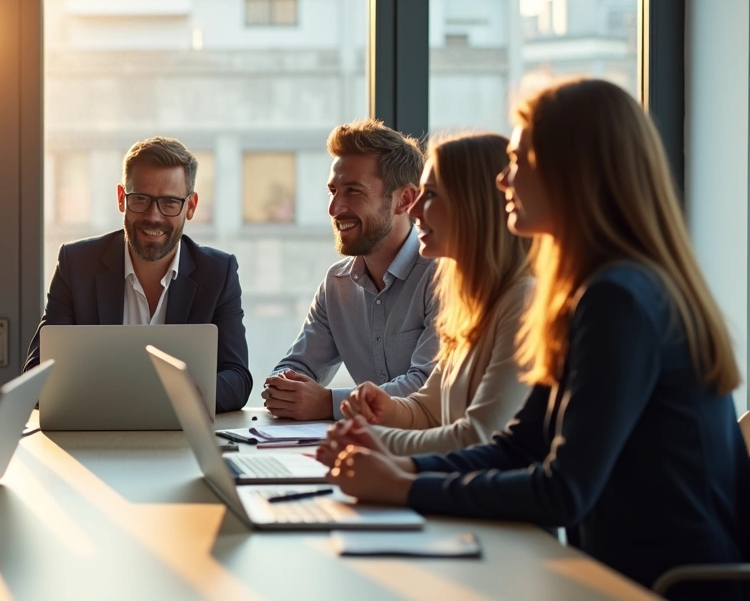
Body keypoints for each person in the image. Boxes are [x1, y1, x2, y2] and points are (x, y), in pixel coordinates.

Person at [322, 79, 749, 599]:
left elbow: (562, 490)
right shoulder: (593, 292)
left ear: (574, 172)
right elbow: (519, 446)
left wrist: (403, 484)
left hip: (660, 586)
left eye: (520, 160)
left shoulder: (620, 299)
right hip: (612, 574)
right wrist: (397, 466)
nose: (503, 179)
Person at [22, 136, 252, 413]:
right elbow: (37, 373)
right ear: (122, 198)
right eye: (141, 199)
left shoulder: (218, 272)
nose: (153, 216)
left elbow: (238, 379)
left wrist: (173, 399)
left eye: (169, 203)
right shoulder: (77, 264)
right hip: (96, 438)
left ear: (190, 206)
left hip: (181, 440)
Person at [337, 133, 533, 454]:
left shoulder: (522, 302)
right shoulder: (469, 305)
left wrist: (372, 442)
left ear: (474, 205)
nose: (412, 210)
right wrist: (387, 407)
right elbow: (428, 410)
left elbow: (478, 437)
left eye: (431, 195)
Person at [265, 120, 438, 421]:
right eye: (333, 191)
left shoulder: (442, 277)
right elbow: (297, 367)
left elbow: (428, 387)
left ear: (405, 200)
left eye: (353, 191)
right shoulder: (337, 284)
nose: (334, 208)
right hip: (365, 449)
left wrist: (327, 403)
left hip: (429, 456)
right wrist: (284, 386)